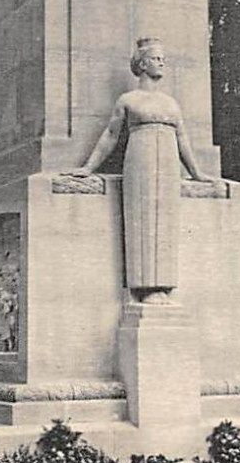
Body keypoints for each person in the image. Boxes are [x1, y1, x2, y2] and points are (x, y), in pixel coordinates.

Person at [72, 37, 212, 303]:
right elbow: (111, 136)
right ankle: (145, 286)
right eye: (156, 58)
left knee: (165, 221)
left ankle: (165, 285)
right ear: (142, 63)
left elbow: (182, 139)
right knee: (143, 218)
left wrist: (196, 173)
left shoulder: (171, 103)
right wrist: (88, 167)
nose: (161, 63)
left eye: (163, 59)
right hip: (140, 159)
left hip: (169, 163)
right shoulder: (129, 100)